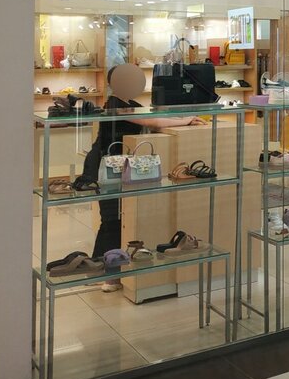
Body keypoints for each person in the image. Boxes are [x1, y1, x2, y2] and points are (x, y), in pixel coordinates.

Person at [78, 64, 206, 291]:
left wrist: (182, 118)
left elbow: (153, 117)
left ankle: (100, 269)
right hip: (108, 167)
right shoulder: (116, 104)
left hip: (117, 165)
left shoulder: (129, 104)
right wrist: (185, 120)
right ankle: (107, 274)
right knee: (112, 218)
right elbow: (151, 122)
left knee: (114, 218)